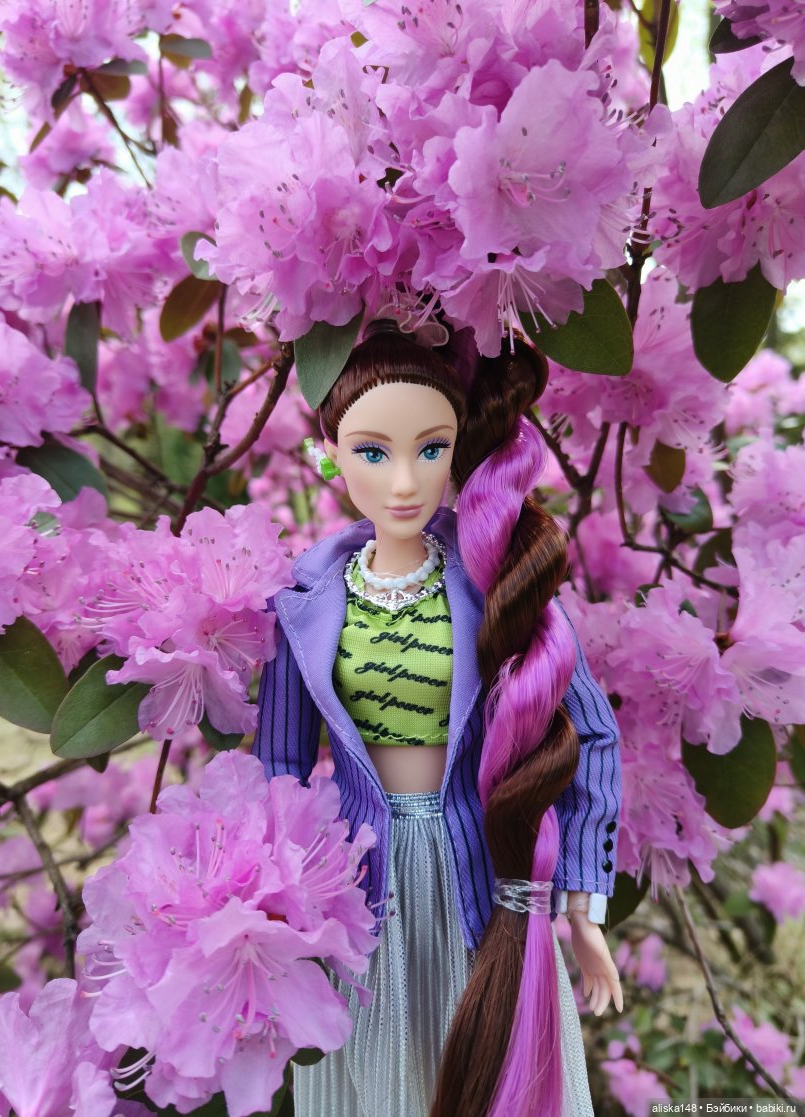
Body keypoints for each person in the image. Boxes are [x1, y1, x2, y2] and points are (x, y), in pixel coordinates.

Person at [252, 322, 622, 1117]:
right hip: (354, 878)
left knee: (483, 1073)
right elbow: (279, 765)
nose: (404, 481)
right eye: (372, 451)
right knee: (379, 1078)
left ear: (458, 452)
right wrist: (276, 892)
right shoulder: (301, 600)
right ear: (331, 453)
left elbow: (590, 734)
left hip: (481, 874)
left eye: (431, 448)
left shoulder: (498, 580)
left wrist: (583, 902)